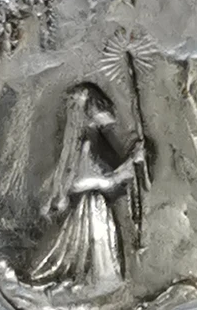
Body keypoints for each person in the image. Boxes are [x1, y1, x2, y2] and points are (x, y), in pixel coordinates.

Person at [25, 84, 146, 298]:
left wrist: (130, 162)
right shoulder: (85, 143)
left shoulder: (91, 139)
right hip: (89, 206)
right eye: (99, 104)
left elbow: (107, 175)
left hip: (92, 204)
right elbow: (91, 179)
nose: (106, 109)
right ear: (88, 110)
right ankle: (92, 279)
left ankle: (95, 278)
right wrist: (132, 161)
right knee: (88, 255)